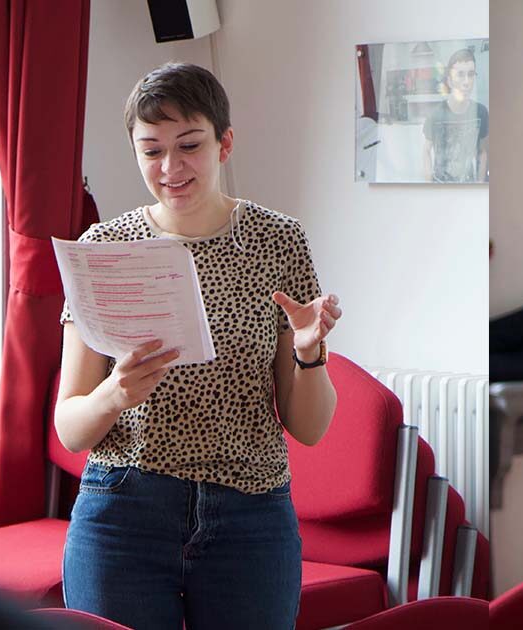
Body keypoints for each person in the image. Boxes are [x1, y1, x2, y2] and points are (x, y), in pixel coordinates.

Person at [54, 62, 341, 630]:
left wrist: (310, 352)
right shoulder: (105, 249)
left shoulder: (278, 241)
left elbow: (309, 428)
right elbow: (70, 427)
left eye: (189, 145)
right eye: (151, 150)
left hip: (250, 512)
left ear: (224, 143)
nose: (170, 167)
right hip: (123, 508)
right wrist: (114, 394)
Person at [423, 47, 489, 183]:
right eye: (460, 74)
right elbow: (425, 151)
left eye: (471, 74)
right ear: (450, 80)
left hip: (469, 188)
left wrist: (480, 184)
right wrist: (429, 184)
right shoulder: (435, 114)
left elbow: (483, 152)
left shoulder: (481, 112)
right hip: (440, 189)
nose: (466, 82)